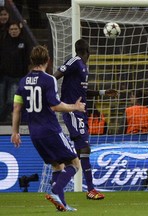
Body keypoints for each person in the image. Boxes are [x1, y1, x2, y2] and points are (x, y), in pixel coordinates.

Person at [11, 45, 85, 212]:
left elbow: (16, 108)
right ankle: (57, 190)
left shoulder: (23, 81)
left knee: (57, 166)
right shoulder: (49, 79)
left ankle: (62, 204)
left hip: (34, 133)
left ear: (32, 60)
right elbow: (56, 106)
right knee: (75, 163)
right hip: (50, 129)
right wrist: (75, 107)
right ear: (47, 61)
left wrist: (15, 132)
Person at [53, 38, 118, 200]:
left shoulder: (83, 67)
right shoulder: (75, 61)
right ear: (87, 51)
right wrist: (50, 94)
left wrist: (102, 93)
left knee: (80, 151)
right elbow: (55, 76)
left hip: (81, 111)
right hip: (72, 111)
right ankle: (88, 188)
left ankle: (60, 180)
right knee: (84, 149)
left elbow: (83, 92)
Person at [0, 21, 29, 123]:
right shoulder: (3, 43)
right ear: (8, 31)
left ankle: (4, 121)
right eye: (11, 29)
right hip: (3, 77)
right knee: (1, 102)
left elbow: (26, 60)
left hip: (17, 78)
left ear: (19, 30)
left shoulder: (24, 43)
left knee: (10, 101)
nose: (13, 31)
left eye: (15, 29)